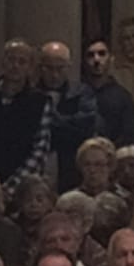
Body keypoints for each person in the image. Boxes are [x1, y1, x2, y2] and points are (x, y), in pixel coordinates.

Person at [0, 39, 54, 196]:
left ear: (30, 68)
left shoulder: (41, 102)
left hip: (24, 190)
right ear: (2, 62)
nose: (15, 66)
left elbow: (40, 149)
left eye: (22, 61)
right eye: (11, 60)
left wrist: (11, 188)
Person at [36, 41, 99, 191]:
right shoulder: (31, 95)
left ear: (69, 67)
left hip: (71, 166)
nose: (55, 74)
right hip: (39, 165)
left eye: (60, 68)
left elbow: (85, 127)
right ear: (40, 67)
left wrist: (51, 121)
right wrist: (67, 124)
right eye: (49, 68)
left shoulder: (82, 93)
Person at [81, 36, 134, 148]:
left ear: (111, 58)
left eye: (102, 53)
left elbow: (129, 136)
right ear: (84, 60)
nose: (96, 59)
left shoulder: (123, 97)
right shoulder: (76, 95)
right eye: (91, 55)